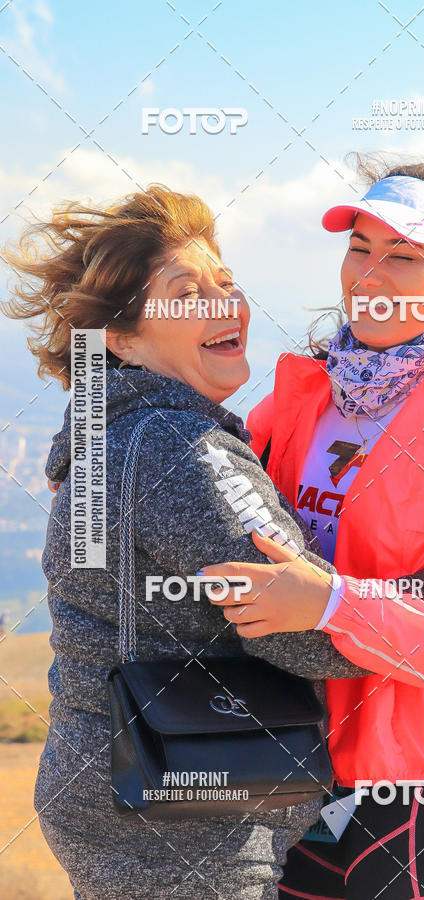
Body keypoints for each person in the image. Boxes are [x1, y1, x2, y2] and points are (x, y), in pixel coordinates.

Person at [2, 184, 380, 900]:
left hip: (112, 786)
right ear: (122, 338)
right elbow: (309, 630)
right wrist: (423, 598)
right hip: (183, 817)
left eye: (226, 285)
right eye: (187, 293)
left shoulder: (100, 436)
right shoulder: (181, 447)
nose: (223, 304)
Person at [200, 160, 424, 899]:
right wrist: (97, 451)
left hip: (419, 791)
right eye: (360, 248)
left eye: (403, 257)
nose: (370, 275)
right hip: (288, 764)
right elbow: (203, 477)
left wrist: (331, 602)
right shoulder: (302, 396)